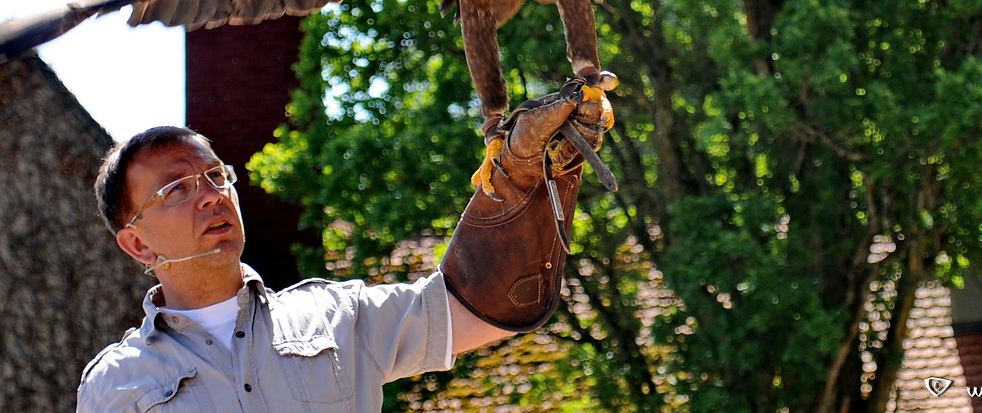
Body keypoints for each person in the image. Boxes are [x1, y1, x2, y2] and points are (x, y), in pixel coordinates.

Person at [76, 78, 613, 412]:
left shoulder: (335, 315)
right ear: (137, 244)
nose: (211, 196)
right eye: (177, 189)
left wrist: (523, 176)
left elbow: (484, 308)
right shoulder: (116, 385)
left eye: (216, 176)